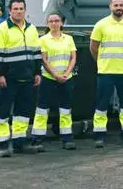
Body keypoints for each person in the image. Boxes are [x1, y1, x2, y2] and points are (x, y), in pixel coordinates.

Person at [0, 0, 41, 157]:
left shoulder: (32, 29)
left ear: (25, 10)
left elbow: (36, 52)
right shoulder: (1, 29)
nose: (19, 11)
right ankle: (2, 145)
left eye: (21, 9)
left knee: (23, 113)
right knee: (3, 112)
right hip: (9, 78)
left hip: (28, 78)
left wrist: (37, 73)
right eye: (15, 9)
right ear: (10, 11)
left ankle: (20, 143)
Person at [90, 0, 123, 147]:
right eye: (116, 5)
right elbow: (93, 47)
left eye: (121, 5)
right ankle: (99, 136)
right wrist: (100, 62)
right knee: (102, 104)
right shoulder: (101, 24)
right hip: (106, 72)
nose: (119, 7)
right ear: (110, 7)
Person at [32, 12, 77, 151]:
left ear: (61, 23)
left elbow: (73, 58)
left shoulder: (69, 39)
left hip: (66, 78)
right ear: (47, 24)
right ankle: (37, 139)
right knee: (42, 109)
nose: (54, 23)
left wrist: (66, 74)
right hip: (48, 78)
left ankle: (67, 138)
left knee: (65, 109)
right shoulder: (43, 40)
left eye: (57, 21)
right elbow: (44, 60)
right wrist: (56, 75)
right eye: (51, 21)